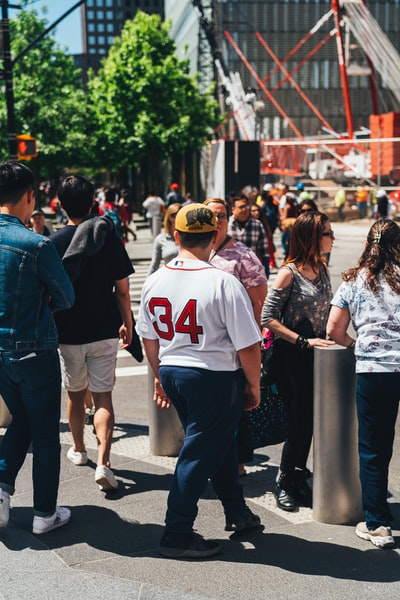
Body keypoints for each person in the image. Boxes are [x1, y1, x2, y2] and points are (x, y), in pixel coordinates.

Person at [136, 203, 262, 559]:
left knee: (214, 442)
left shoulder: (155, 279)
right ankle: (177, 530)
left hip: (174, 369)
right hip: (213, 375)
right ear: (214, 236)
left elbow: (148, 337)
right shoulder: (223, 282)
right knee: (198, 450)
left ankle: (238, 511)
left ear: (176, 236)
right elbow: (249, 345)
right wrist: (253, 384)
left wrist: (160, 375)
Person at [0, 161, 75, 534]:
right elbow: (66, 296)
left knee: (22, 421)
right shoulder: (36, 244)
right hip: (33, 349)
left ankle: (1, 491)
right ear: (29, 197)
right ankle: (45, 512)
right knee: (45, 434)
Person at [50, 175, 133, 492]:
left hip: (68, 332)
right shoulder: (108, 237)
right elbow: (122, 290)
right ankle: (104, 462)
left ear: (59, 203)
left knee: (74, 395)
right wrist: (127, 322)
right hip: (104, 330)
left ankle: (80, 450)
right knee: (103, 397)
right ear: (92, 202)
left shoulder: (55, 242)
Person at [327, 219, 400, 549]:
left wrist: (359, 344)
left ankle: (378, 525)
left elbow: (334, 330)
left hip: (374, 371)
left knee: (373, 448)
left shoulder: (352, 281)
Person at [261, 211, 335, 511]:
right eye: (327, 233)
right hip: (291, 356)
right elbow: (267, 317)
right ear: (311, 237)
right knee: (299, 422)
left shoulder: (323, 268)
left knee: (312, 422)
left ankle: (298, 477)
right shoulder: (289, 273)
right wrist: (302, 340)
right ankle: (283, 481)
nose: (332, 238)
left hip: (317, 356)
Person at [205, 198, 267, 476]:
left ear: (228, 220)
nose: (217, 221)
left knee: (233, 408)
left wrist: (254, 343)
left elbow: (259, 303)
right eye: (210, 215)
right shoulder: (196, 250)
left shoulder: (243, 255)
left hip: (233, 345)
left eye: (221, 216)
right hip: (202, 343)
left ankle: (236, 462)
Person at [228, 194, 270, 278]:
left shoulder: (257, 225)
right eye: (241, 207)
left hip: (251, 272)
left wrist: (266, 269)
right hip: (230, 272)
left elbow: (264, 250)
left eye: (246, 206)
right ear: (233, 209)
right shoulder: (226, 225)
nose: (245, 209)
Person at [147, 203, 181, 276]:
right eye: (179, 216)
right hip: (169, 279)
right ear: (170, 218)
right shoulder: (161, 239)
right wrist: (147, 284)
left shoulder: (189, 237)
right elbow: (154, 265)